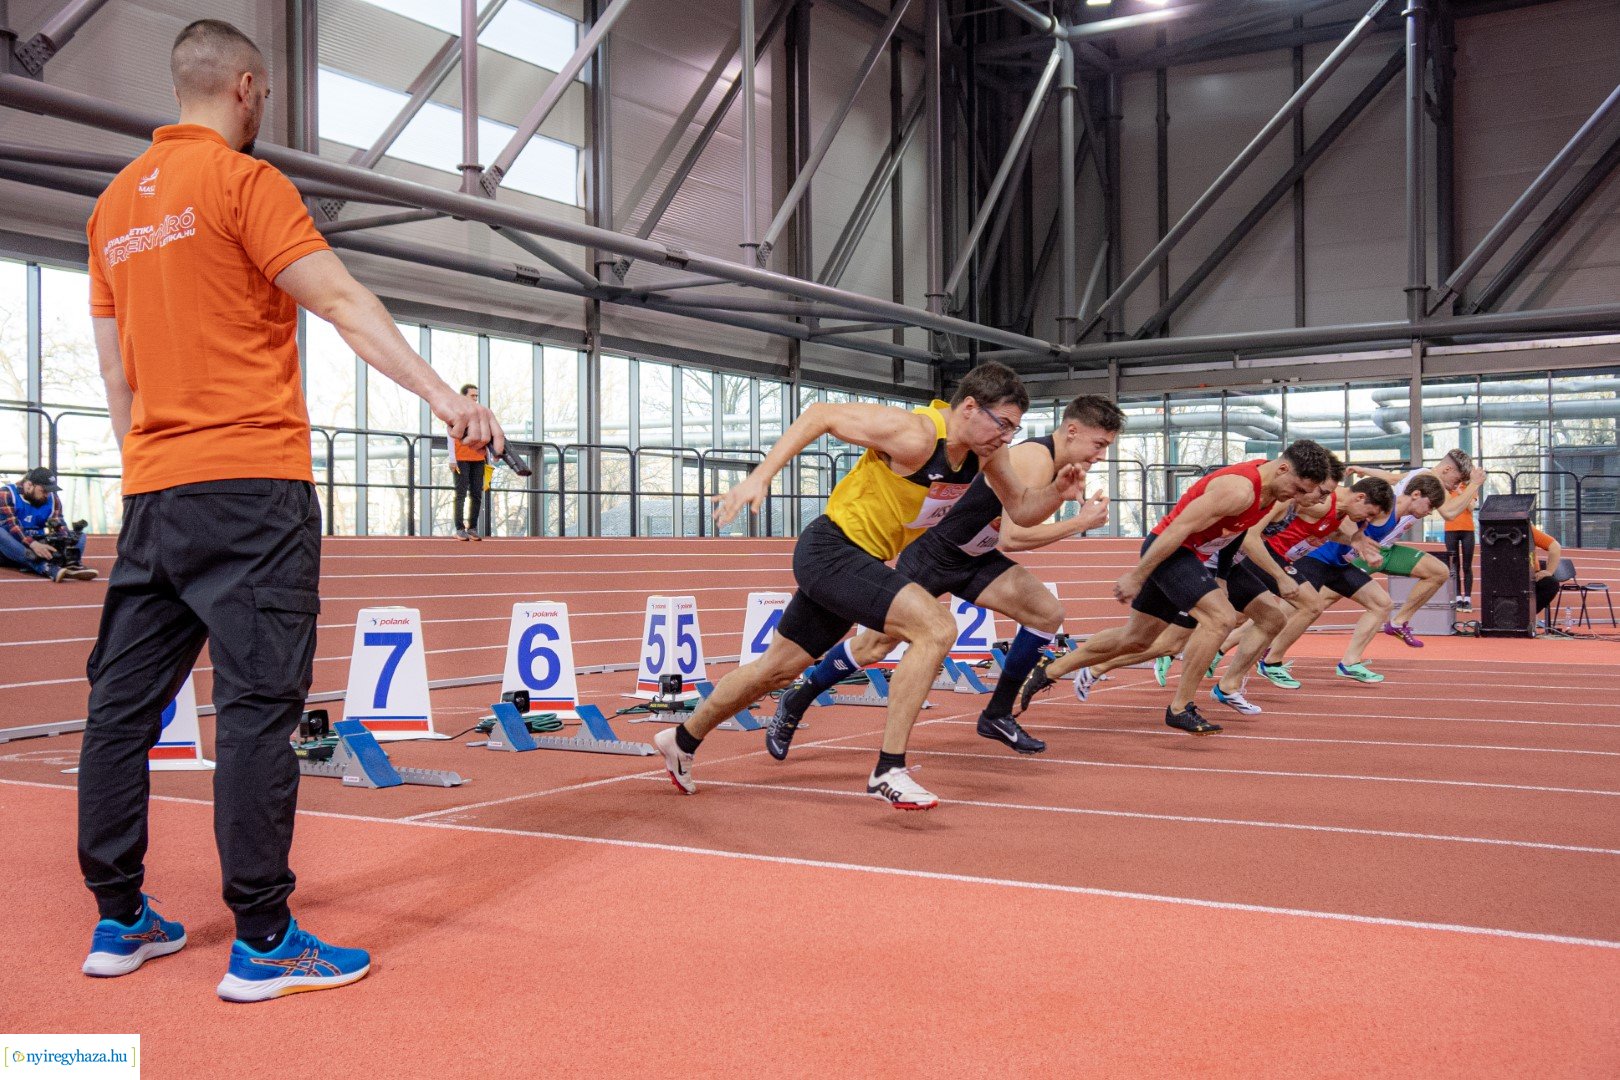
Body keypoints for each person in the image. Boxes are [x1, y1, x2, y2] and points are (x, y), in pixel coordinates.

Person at [79, 20, 501, 1002]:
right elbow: (344, 304)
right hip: (252, 490)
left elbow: (114, 375)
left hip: (155, 491)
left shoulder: (109, 212)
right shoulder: (244, 186)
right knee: (261, 711)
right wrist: (451, 401)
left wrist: (146, 467)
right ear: (248, 88)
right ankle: (263, 939)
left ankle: (119, 918)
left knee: (118, 711)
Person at [651, 362, 1083, 810]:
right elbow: (820, 413)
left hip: (859, 561)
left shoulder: (985, 455)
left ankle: (681, 739)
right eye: (1004, 424)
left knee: (776, 670)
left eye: (1015, 428)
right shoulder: (916, 434)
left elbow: (1022, 508)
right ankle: (888, 769)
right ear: (970, 408)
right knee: (936, 627)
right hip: (830, 550)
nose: (1008, 437)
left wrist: (1058, 494)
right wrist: (762, 475)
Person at [763, 395, 1120, 760]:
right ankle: (799, 698)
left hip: (973, 557)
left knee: (1046, 613)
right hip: (933, 555)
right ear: (1073, 431)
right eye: (1100, 444)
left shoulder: (1058, 468)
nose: (1101, 456)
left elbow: (1019, 520)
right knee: (875, 646)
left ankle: (996, 714)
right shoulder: (1034, 458)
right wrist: (1079, 524)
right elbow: (1014, 537)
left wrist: (1060, 498)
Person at [1019, 440, 1334, 735]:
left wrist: (1222, 577)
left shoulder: (1269, 494)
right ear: (1282, 469)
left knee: (1137, 639)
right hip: (1171, 551)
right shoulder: (1238, 488)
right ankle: (1180, 707)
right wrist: (1138, 575)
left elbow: (1234, 532)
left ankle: (1051, 668)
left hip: (1194, 556)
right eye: (1296, 488)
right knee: (1221, 618)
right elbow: (1178, 526)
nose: (1295, 496)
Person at [1263, 473, 1444, 683]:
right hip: (1317, 558)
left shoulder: (1399, 515)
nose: (1429, 512)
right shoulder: (1384, 506)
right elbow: (1345, 513)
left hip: (1340, 565)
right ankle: (1258, 656)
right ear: (1415, 494)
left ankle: (1350, 662)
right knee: (1285, 612)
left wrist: (1364, 548)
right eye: (1430, 505)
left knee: (1382, 604)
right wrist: (1358, 539)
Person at [1347, 450, 1484, 645]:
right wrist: (1475, 484)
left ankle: (1398, 622)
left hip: (1386, 549)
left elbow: (1392, 478)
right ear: (1446, 469)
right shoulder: (1431, 480)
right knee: (1319, 600)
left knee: (1438, 572)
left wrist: (1363, 469)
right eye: (1458, 480)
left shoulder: (1419, 472)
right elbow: (1450, 512)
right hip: (1367, 546)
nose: (1457, 486)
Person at [0, 467, 98, 582]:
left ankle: (70, 564)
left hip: (39, 546)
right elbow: (12, 526)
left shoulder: (53, 499)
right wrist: (34, 544)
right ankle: (43, 567)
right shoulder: (6, 494)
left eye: (49, 491)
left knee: (80, 536)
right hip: (11, 548)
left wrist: (66, 541)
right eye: (44, 490)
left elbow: (60, 524)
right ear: (29, 485)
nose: (47, 494)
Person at [448, 383, 489, 540]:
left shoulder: (481, 414)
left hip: (478, 459)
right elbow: (450, 437)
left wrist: (488, 460)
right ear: (464, 396)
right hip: (461, 458)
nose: (475, 398)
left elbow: (487, 436)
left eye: (476, 396)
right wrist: (452, 459)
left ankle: (472, 527)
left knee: (477, 494)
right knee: (460, 494)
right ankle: (459, 528)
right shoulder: (455, 414)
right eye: (473, 395)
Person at [1443, 467, 1482, 612]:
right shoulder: (1448, 489)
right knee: (1454, 566)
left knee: (1467, 565)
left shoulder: (1470, 488)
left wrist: (1461, 494)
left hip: (1467, 530)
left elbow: (1471, 507)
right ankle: (1458, 597)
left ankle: (1468, 599)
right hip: (1451, 529)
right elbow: (1445, 507)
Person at [1531, 522, 1564, 625]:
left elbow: (1555, 547)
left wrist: (1549, 571)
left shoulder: (1527, 529)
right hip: (1505, 576)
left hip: (1530, 575)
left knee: (1550, 584)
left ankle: (1527, 615)